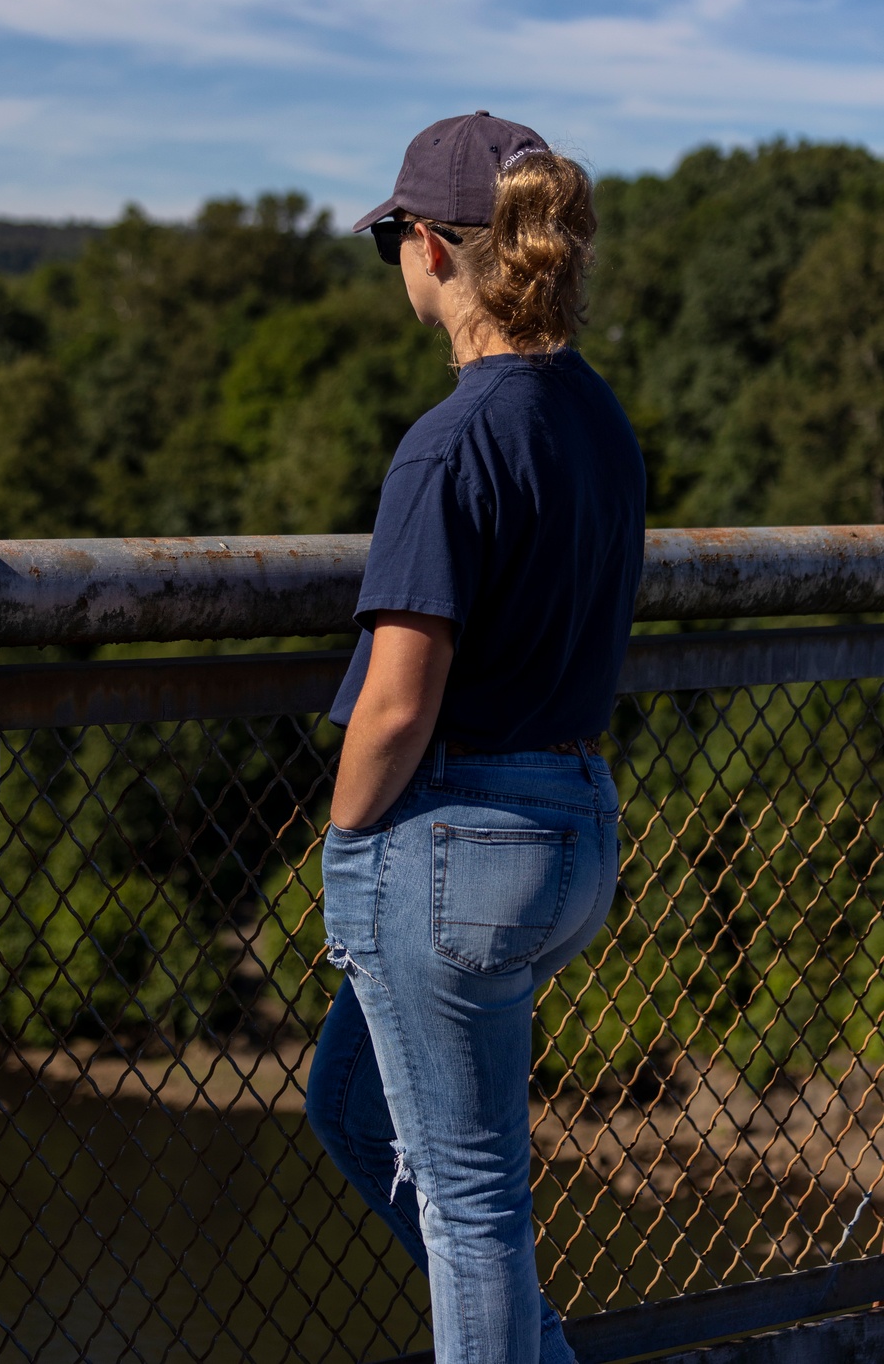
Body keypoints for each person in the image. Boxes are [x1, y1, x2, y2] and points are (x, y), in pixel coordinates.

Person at [305, 111, 646, 1364]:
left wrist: (340, 845)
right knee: (347, 1101)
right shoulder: (594, 420)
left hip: (452, 846)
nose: (392, 256)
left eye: (392, 233)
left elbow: (399, 697)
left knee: (472, 1208)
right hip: (570, 830)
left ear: (438, 251)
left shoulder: (448, 440)